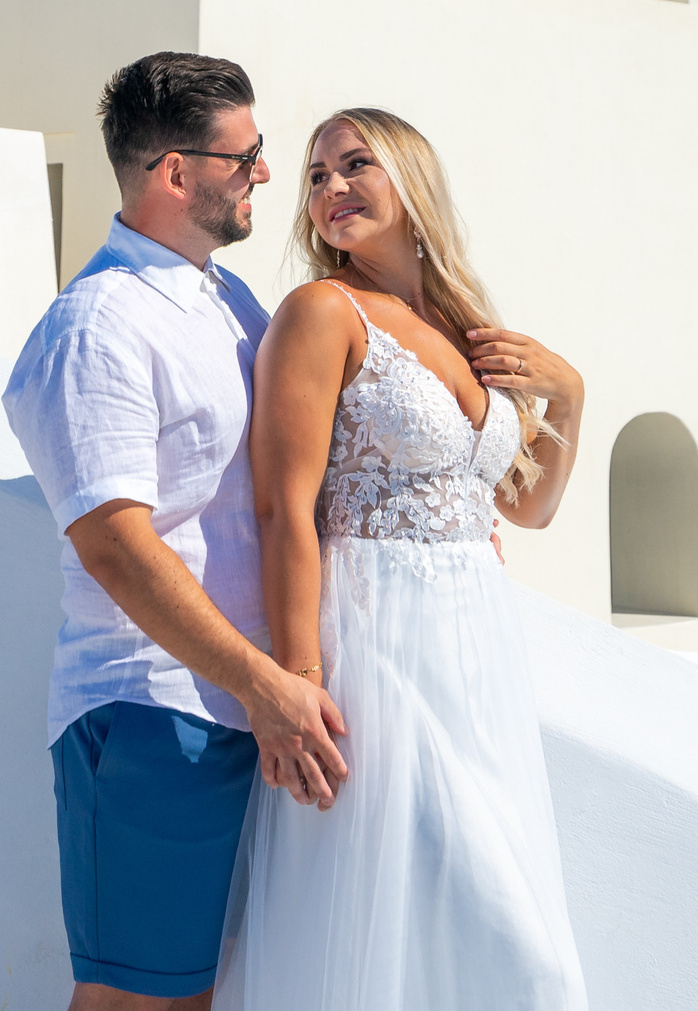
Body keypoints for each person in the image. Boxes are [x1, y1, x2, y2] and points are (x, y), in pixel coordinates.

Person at [217, 108, 589, 1010]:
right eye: (314, 177)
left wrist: (570, 396)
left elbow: (524, 504)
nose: (330, 188)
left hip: (478, 663)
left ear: (413, 181)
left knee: (453, 956)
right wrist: (296, 678)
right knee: (524, 965)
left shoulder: (468, 332)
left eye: (354, 165)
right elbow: (284, 507)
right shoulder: (322, 313)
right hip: (374, 649)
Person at [5, 53, 349, 1011]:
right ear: (175, 172)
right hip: (154, 711)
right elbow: (114, 542)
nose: (266, 177)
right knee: (132, 1002)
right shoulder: (97, 326)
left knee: (195, 999)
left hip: (242, 709)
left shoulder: (226, 302)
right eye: (246, 158)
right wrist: (263, 682)